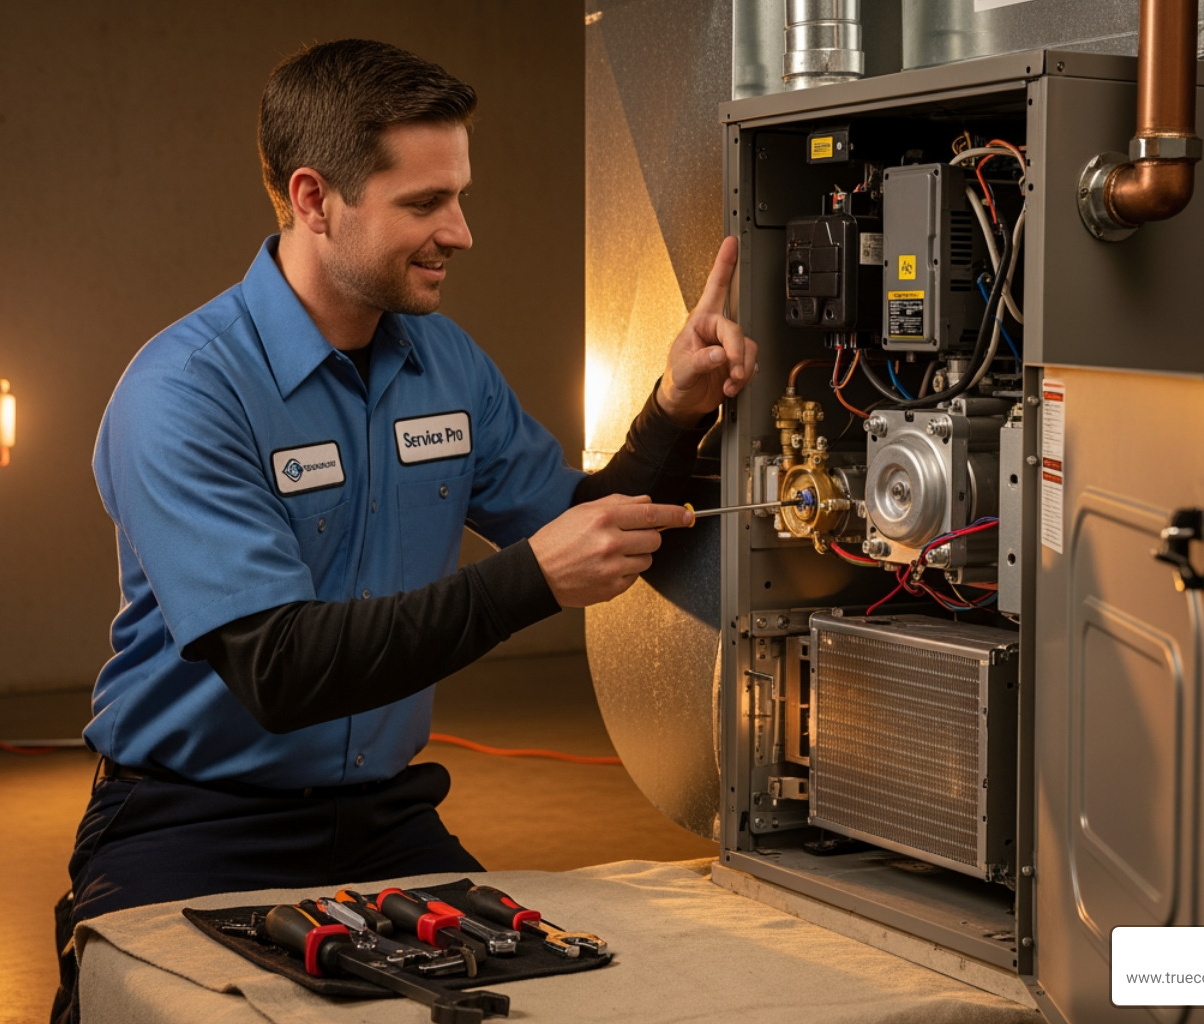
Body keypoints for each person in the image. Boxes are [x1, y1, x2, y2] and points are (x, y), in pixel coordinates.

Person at [51, 37, 755, 1023]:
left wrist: (675, 410)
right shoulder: (183, 391)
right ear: (313, 198)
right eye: (425, 204)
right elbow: (282, 666)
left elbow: (582, 526)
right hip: (189, 819)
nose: (461, 231)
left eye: (459, 195)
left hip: (383, 823)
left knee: (558, 999)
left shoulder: (445, 363)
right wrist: (529, 581)